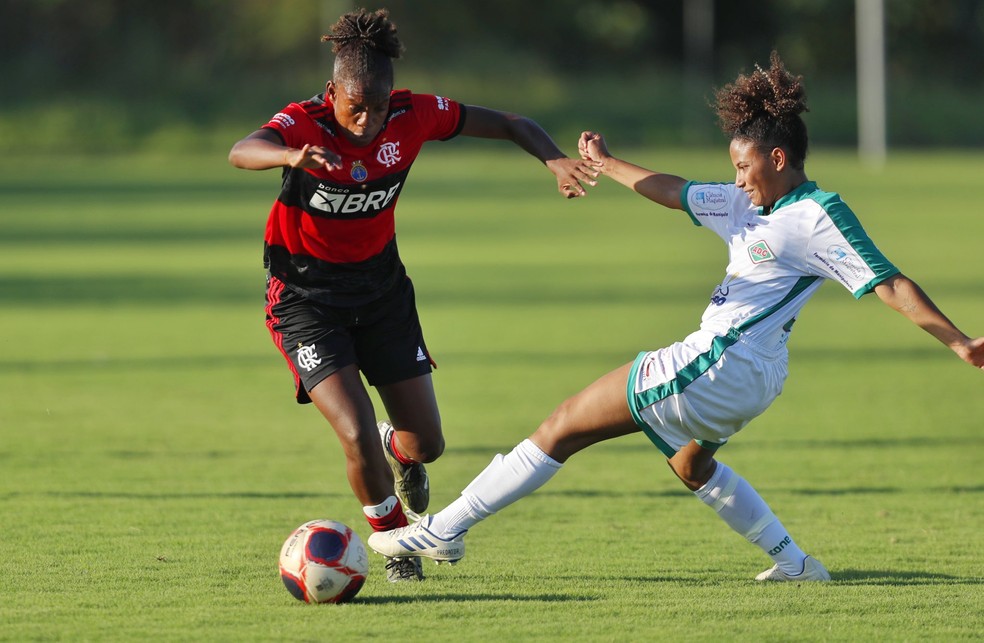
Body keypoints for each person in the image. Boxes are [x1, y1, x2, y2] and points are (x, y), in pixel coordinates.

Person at [367, 51, 984, 582]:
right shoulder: (747, 203)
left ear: (776, 157)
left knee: (562, 427)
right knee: (692, 463)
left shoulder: (818, 214)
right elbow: (677, 190)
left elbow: (890, 281)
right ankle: (796, 564)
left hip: (719, 363)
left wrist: (958, 343)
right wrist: (608, 164)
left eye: (744, 166)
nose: (737, 180)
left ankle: (442, 530)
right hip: (752, 375)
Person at [228, 8, 597, 582]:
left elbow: (510, 122)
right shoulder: (305, 124)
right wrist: (287, 155)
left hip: (382, 294)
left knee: (425, 443)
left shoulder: (414, 115)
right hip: (304, 300)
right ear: (332, 94)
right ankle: (395, 542)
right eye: (355, 107)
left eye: (378, 105)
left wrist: (552, 159)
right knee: (354, 430)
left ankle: (397, 456)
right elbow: (242, 149)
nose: (368, 119)